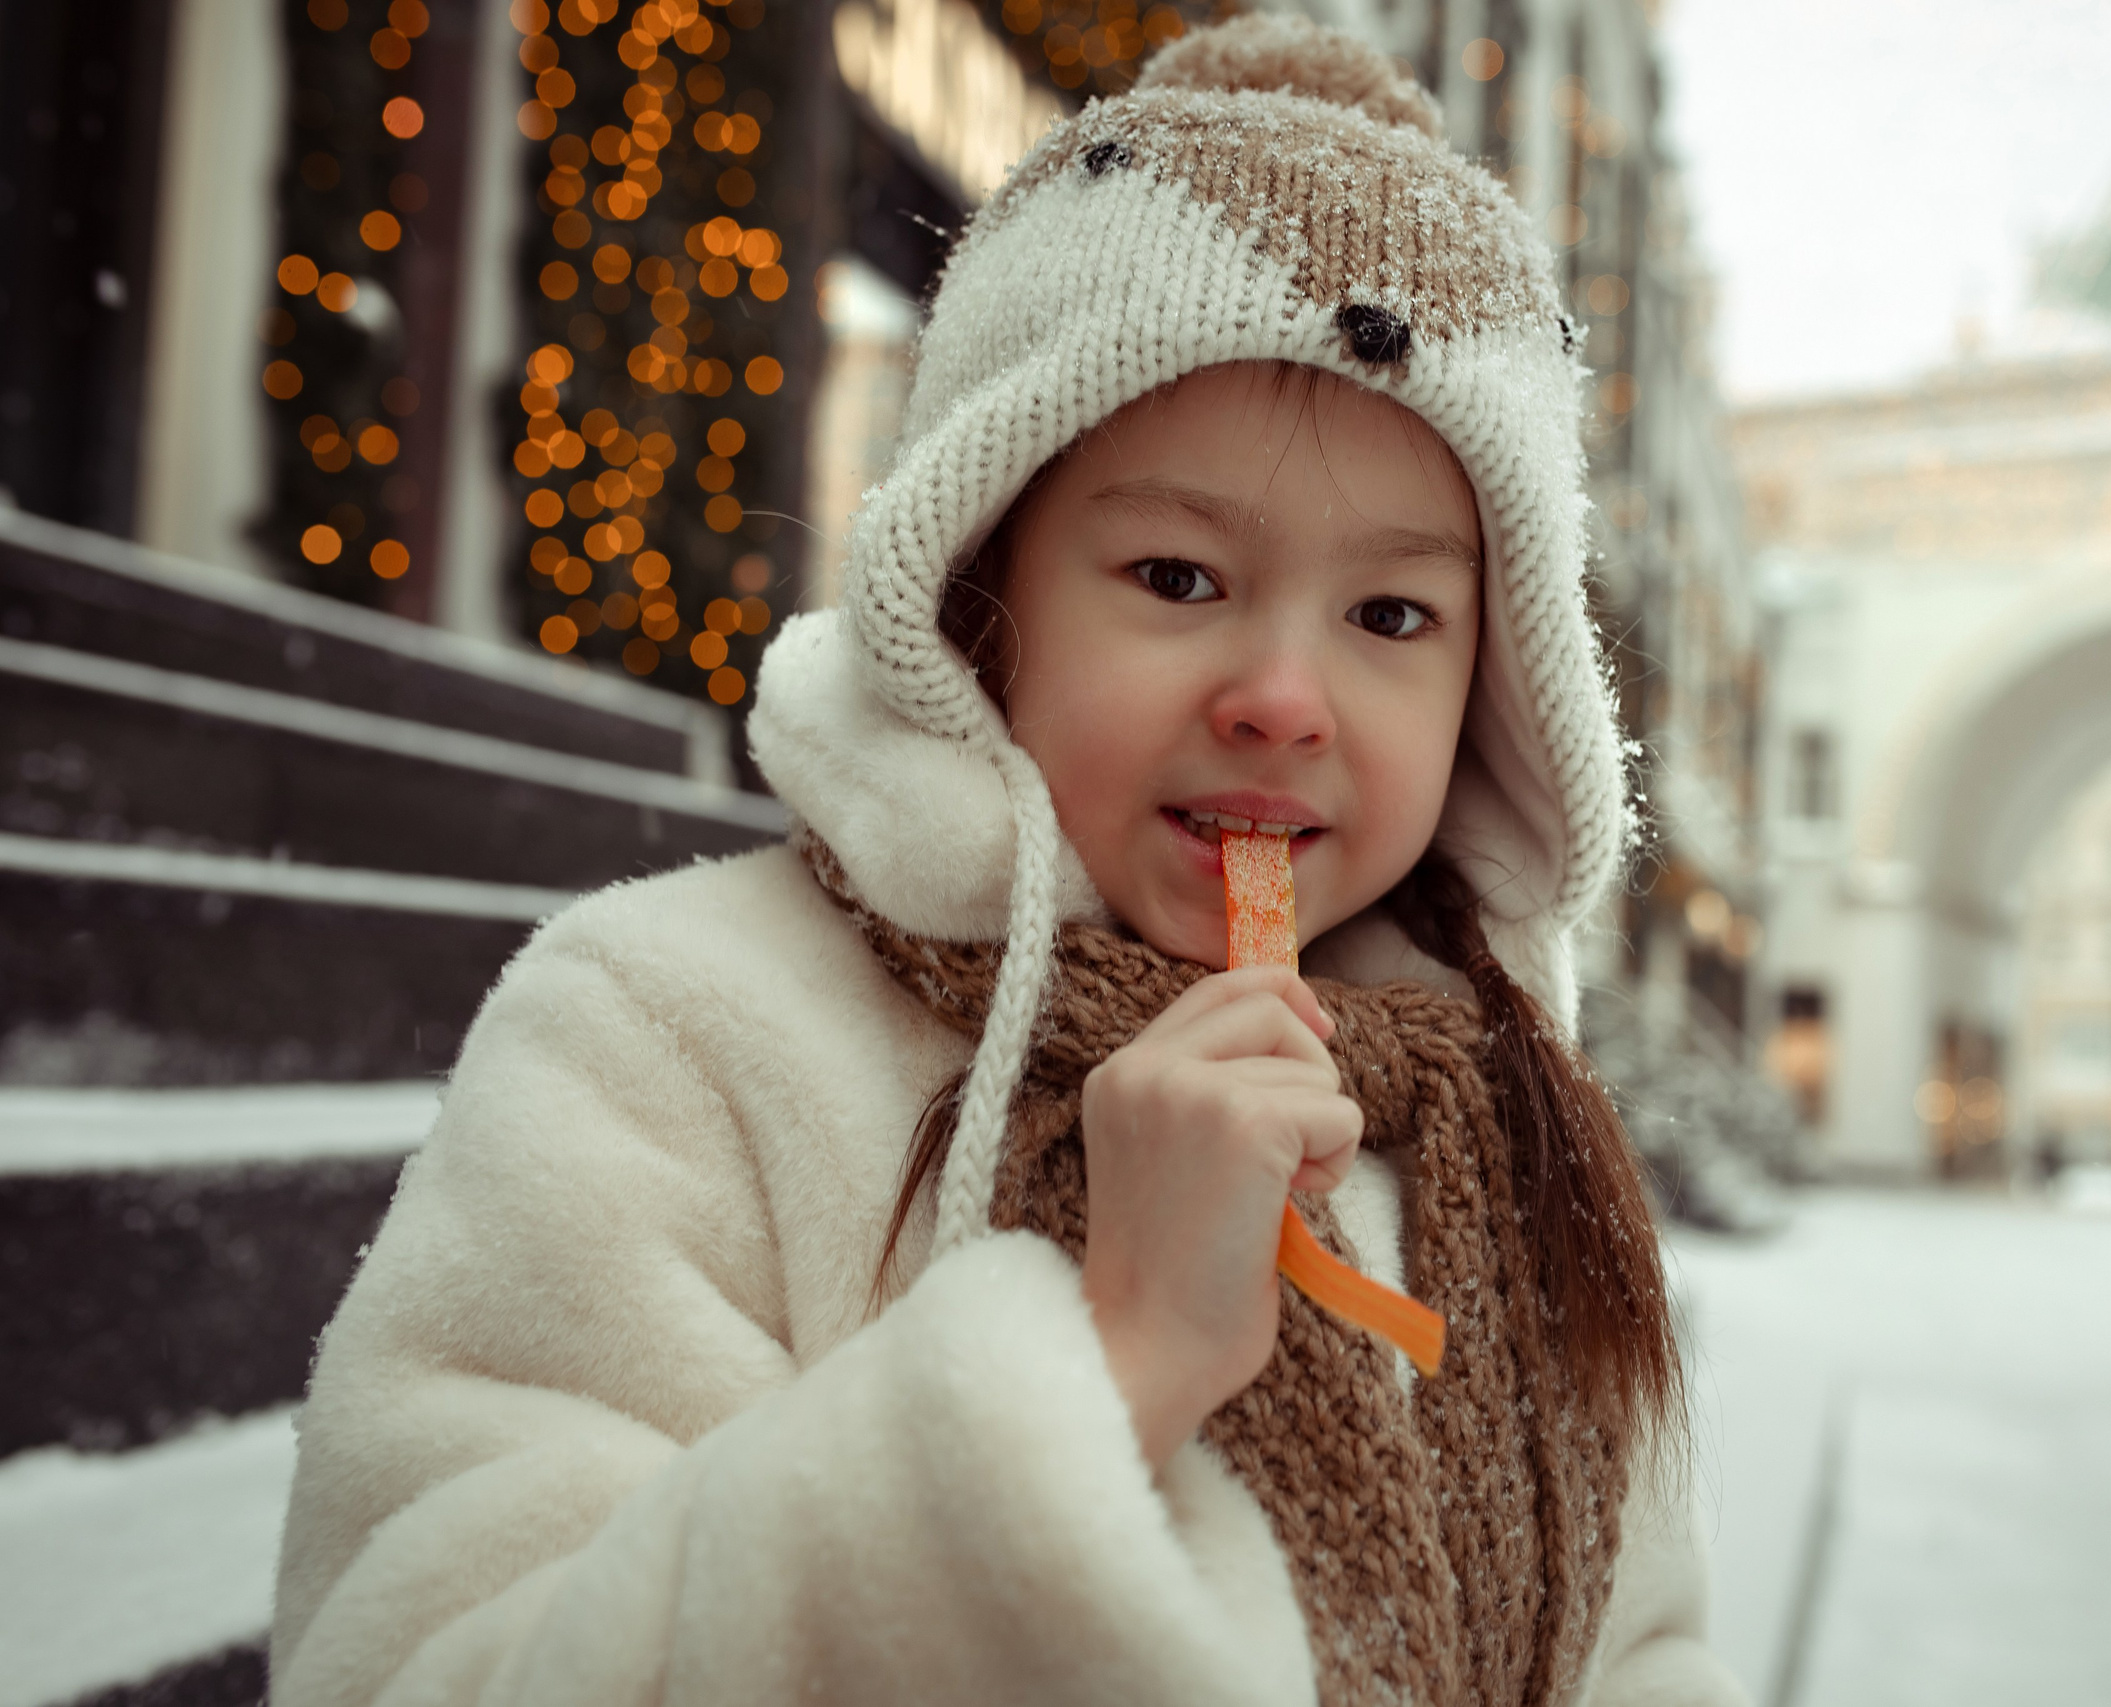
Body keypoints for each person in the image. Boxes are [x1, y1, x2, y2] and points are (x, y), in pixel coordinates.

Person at [270, 18, 1745, 1706]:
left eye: (1392, 614)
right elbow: (419, 1667)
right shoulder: (666, 1035)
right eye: (1178, 578)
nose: (1282, 700)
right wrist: (1100, 1361)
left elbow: (1646, 1654)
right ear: (980, 590)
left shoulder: (1506, 1132)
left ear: (1490, 687)